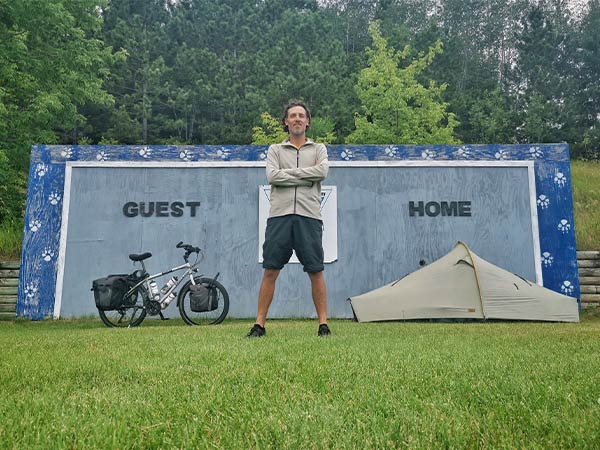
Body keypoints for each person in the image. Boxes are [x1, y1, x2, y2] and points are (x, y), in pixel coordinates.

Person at [247, 101, 331, 338]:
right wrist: (305, 177)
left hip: (309, 217)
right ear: (285, 121)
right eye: (292, 116)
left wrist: (287, 176)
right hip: (279, 217)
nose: (296, 119)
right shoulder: (275, 150)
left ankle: (323, 325)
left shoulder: (319, 149)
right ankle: (259, 325)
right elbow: (272, 176)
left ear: (308, 121)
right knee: (270, 270)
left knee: (315, 270)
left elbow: (322, 172)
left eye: (301, 116)